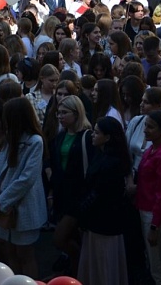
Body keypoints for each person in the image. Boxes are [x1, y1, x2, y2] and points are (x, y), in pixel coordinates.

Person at [0, 98, 47, 277]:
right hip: (1, 202)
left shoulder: (35, 141)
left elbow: (26, 179)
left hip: (24, 205)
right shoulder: (9, 138)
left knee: (25, 253)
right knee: (8, 250)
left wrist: (1, 201)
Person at [77, 116, 131, 284]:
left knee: (103, 264)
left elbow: (100, 193)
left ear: (107, 137)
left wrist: (82, 212)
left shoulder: (111, 163)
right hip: (99, 222)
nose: (92, 135)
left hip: (104, 223)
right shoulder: (103, 157)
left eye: (97, 132)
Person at [49, 95, 95, 275]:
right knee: (72, 238)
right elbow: (55, 166)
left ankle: (80, 266)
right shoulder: (60, 136)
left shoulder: (87, 137)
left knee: (59, 239)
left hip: (78, 197)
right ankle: (79, 271)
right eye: (58, 113)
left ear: (77, 113)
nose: (60, 116)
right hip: (62, 196)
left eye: (64, 112)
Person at [135, 110, 161, 285]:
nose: (145, 130)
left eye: (150, 127)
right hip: (145, 209)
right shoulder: (151, 149)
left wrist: (154, 226)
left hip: (152, 214)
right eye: (146, 125)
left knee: (159, 267)